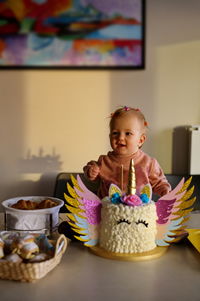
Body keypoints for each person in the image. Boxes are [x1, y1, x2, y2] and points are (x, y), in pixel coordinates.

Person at [83, 106, 171, 198]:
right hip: (108, 210)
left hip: (138, 210)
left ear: (141, 140)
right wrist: (90, 171)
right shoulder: (104, 161)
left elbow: (159, 183)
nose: (120, 138)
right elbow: (91, 173)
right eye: (115, 133)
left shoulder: (149, 163)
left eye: (128, 133)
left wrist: (165, 190)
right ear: (110, 137)